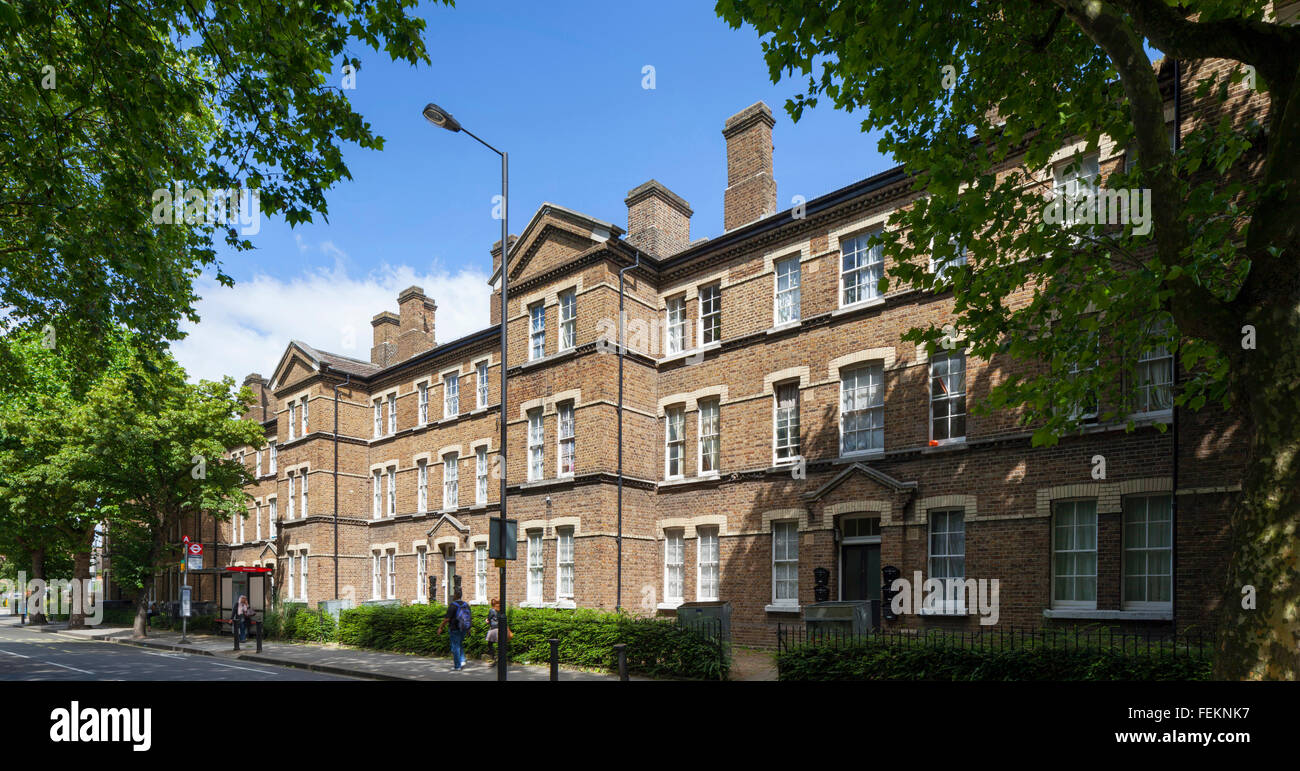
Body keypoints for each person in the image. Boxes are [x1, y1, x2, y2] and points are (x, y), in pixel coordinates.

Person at [436, 588, 471, 670]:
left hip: (454, 628)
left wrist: (440, 627)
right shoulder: (466, 605)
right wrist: (468, 629)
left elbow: (447, 619)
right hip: (463, 628)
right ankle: (462, 660)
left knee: (455, 647)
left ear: (455, 595)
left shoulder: (453, 605)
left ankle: (457, 666)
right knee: (459, 644)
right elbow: (469, 618)